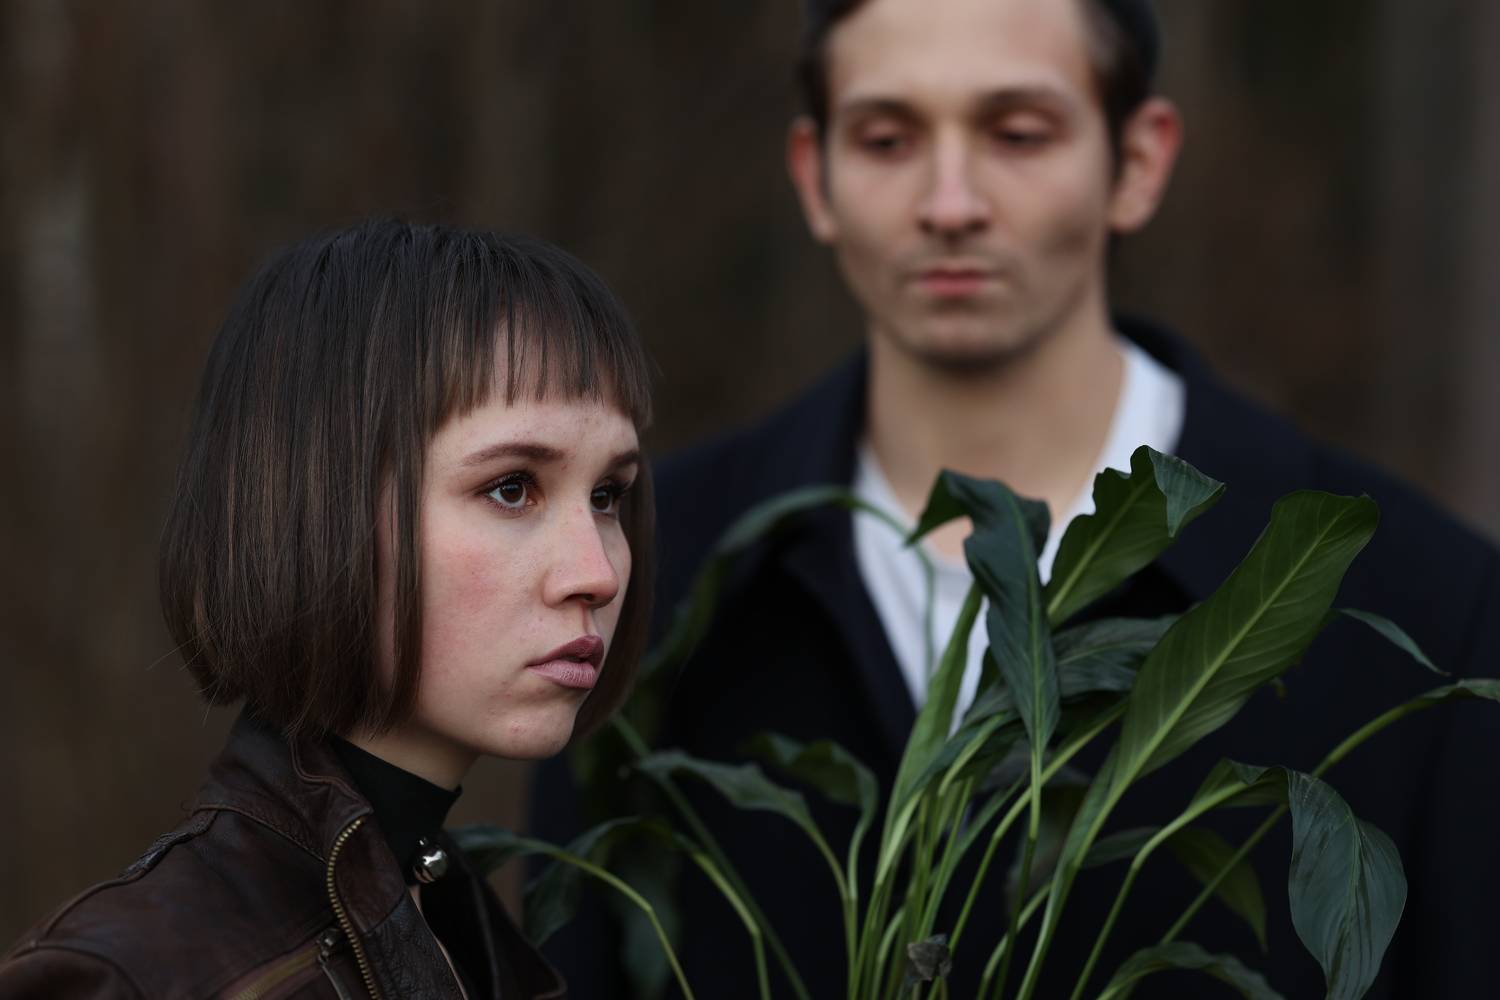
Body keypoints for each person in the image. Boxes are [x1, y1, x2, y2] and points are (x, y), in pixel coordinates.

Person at [534, 0, 1500, 998]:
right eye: (887, 139)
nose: (950, 203)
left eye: (1018, 134)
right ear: (814, 176)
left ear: (1137, 162)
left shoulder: (1422, 604)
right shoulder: (631, 569)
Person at [0, 219, 656, 999]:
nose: (595, 574)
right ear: (315, 507)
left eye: (607, 495)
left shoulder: (456, 929)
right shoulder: (133, 980)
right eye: (511, 487)